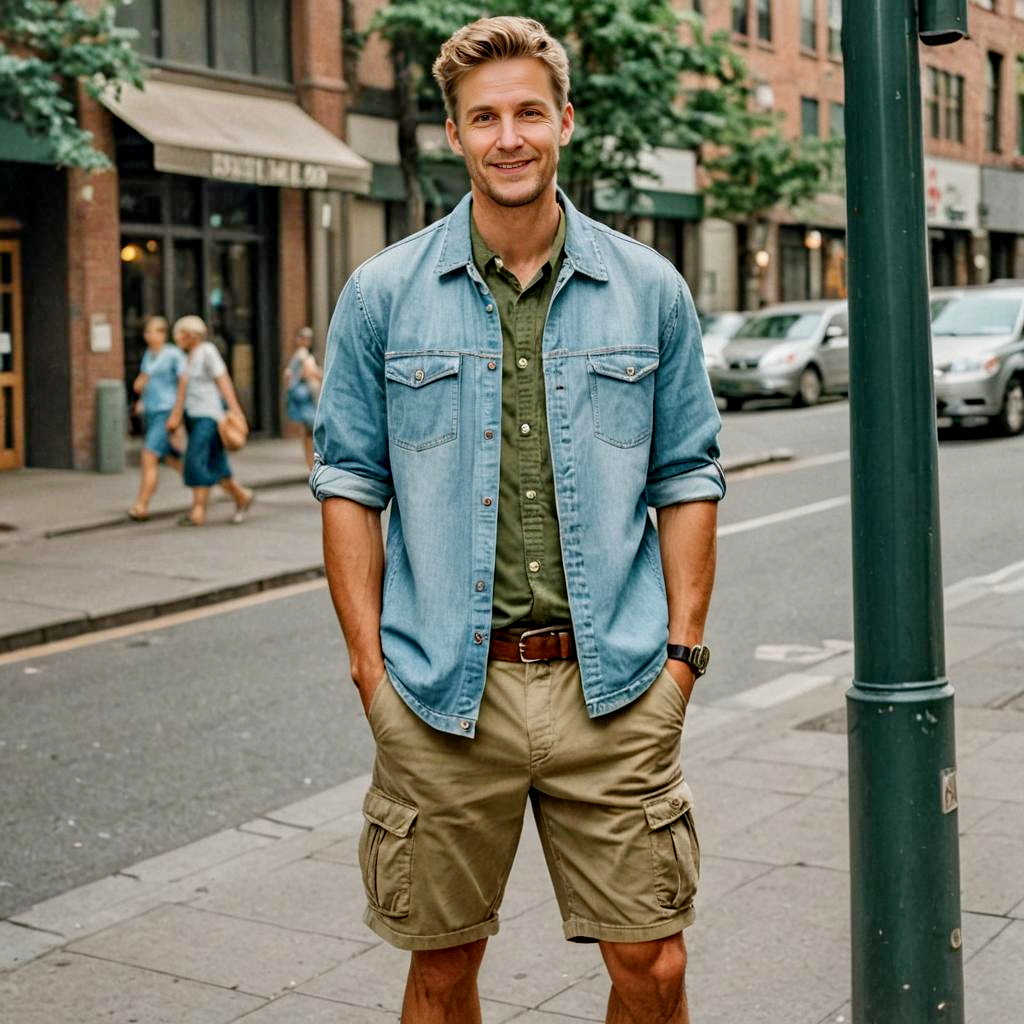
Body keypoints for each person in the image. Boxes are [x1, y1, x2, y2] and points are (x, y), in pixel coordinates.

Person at [311, 17, 724, 1024]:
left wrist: (678, 658)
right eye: (483, 116)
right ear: (453, 133)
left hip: (615, 688)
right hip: (444, 698)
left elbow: (689, 475)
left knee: (654, 966)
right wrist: (373, 673)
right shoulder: (382, 294)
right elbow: (348, 484)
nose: (508, 136)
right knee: (443, 973)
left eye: (527, 112)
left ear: (564, 122)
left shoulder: (648, 288)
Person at [165, 315, 254, 527]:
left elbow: (223, 382)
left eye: (181, 334)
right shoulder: (186, 357)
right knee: (215, 462)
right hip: (193, 416)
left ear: (192, 336)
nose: (177, 338)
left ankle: (198, 510)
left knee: (194, 459)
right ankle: (241, 496)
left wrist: (236, 411)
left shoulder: (207, 352)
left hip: (209, 416)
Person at [128, 315, 186, 521]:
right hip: (151, 412)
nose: (150, 336)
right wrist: (140, 398)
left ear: (163, 333)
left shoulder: (174, 355)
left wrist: (177, 415)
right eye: (147, 332)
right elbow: (144, 380)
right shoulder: (149, 355)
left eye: (155, 331)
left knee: (149, 456)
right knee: (171, 458)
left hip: (166, 411)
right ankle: (204, 484)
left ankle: (141, 505)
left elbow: (183, 384)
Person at [284, 325, 322, 470]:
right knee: (312, 433)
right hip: (308, 399)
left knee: (307, 434)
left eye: (308, 338)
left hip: (303, 398)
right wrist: (320, 376)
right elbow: (309, 373)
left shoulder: (296, 356)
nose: (307, 341)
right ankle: (311, 465)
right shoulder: (303, 355)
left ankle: (310, 465)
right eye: (304, 338)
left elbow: (288, 376)